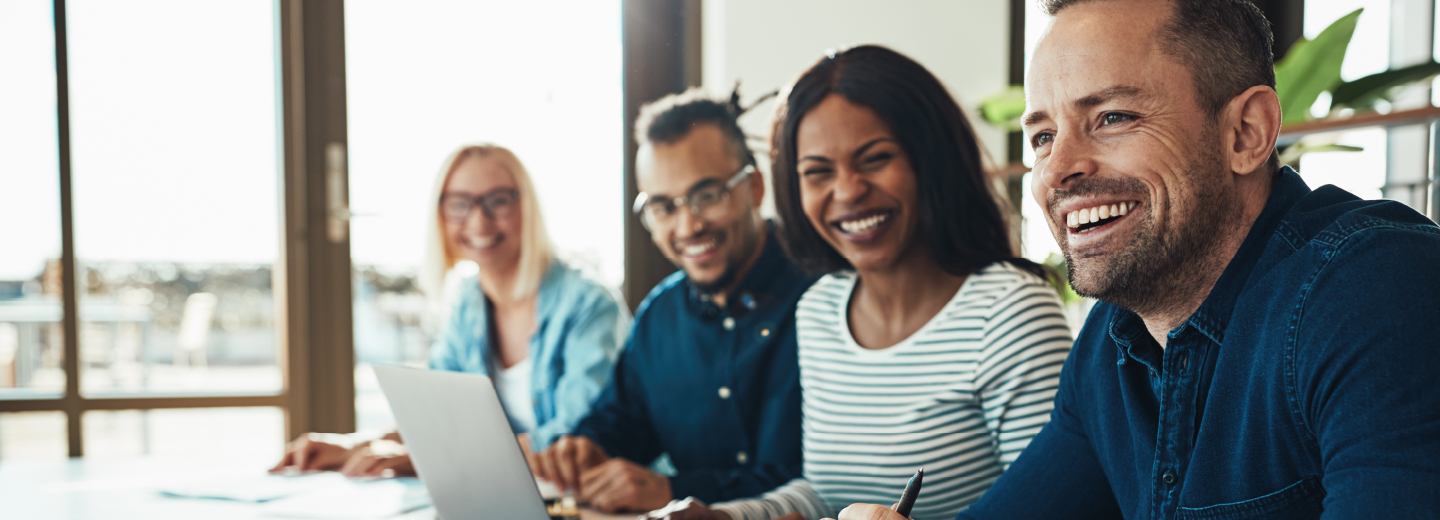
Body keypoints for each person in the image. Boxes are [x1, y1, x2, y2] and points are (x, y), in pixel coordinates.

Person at [836, 1, 1440, 520]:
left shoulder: (1373, 288)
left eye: (1113, 117)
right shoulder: (1111, 341)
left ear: (1246, 133)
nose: (1057, 168)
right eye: (1043, 135)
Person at [645, 46, 1074, 520]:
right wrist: (724, 516)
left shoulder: (1010, 311)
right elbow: (823, 494)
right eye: (817, 172)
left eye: (874, 159)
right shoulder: (820, 309)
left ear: (929, 161)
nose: (847, 191)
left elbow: (1054, 509)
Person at [526, 88, 817, 514]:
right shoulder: (660, 315)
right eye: (663, 207)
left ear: (754, 187)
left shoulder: (824, 299)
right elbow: (621, 421)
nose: (688, 225)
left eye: (707, 196)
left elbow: (820, 479)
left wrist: (674, 489)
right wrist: (586, 448)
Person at [270, 144, 628, 478]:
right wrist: (356, 444)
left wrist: (429, 459)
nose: (478, 222)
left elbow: (577, 444)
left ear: (527, 207)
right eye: (459, 203)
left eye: (498, 201)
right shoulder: (469, 302)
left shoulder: (589, 305)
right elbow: (439, 419)